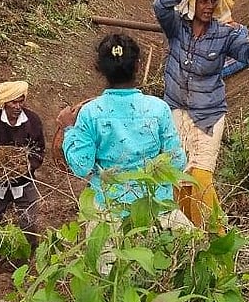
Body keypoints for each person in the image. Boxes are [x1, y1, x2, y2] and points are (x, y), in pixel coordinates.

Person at [154, 0, 249, 230]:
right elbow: (161, 4)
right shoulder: (177, 27)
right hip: (175, 112)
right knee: (177, 177)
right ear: (192, 3)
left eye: (213, 0)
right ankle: (188, 235)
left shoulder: (224, 34)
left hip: (208, 115)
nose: (209, 6)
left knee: (200, 175)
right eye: (204, 0)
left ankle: (217, 235)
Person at [59, 33, 189, 220]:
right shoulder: (158, 108)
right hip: (156, 210)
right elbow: (177, 161)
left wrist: (69, 129)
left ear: (100, 68)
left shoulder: (91, 113)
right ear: (137, 65)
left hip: (110, 213)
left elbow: (81, 166)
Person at [0, 81, 45, 248]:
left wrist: (24, 167)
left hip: (24, 182)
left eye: (21, 101)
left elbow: (38, 151)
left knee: (28, 226)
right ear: (3, 103)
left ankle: (25, 261)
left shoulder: (33, 121)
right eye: (13, 102)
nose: (18, 106)